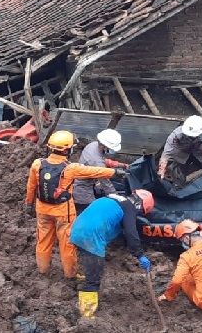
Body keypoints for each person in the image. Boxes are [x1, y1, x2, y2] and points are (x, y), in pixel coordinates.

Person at [24, 130, 128, 281]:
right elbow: (94, 171)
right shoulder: (70, 168)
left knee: (43, 241)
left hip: (42, 210)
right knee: (67, 244)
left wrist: (29, 205)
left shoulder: (37, 164)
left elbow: (31, 186)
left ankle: (43, 270)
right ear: (67, 150)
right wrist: (114, 172)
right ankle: (70, 275)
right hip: (63, 213)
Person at [69, 189, 155, 319]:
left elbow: (114, 225)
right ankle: (86, 314)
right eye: (140, 212)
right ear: (139, 205)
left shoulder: (113, 198)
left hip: (77, 230)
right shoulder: (129, 207)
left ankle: (84, 279)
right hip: (91, 236)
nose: (136, 215)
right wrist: (140, 255)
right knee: (94, 279)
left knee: (89, 263)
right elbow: (131, 232)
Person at [73, 129, 129, 214]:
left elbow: (102, 160)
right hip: (83, 191)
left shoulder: (93, 145)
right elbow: (106, 183)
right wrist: (118, 199)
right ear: (104, 146)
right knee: (91, 213)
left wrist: (118, 164)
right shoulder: (95, 161)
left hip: (85, 182)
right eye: (111, 148)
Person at [157, 115, 202, 186]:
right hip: (182, 154)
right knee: (178, 177)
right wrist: (161, 170)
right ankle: (178, 187)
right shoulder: (176, 135)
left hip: (199, 152)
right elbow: (166, 154)